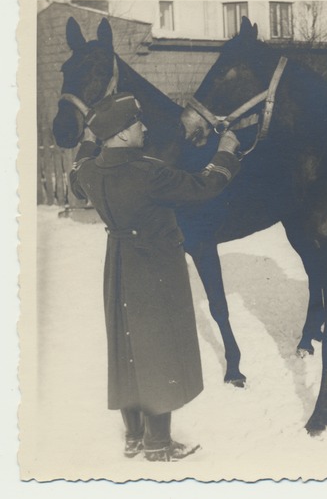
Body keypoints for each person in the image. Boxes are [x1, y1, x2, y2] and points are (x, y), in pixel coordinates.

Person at [69, 92, 241, 462]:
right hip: (156, 266)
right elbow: (205, 186)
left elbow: (76, 170)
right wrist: (227, 150)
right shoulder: (148, 172)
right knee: (159, 349)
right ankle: (159, 445)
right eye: (136, 124)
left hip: (118, 263)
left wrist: (87, 139)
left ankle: (133, 437)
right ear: (120, 133)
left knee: (126, 345)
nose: (144, 128)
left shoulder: (90, 171)